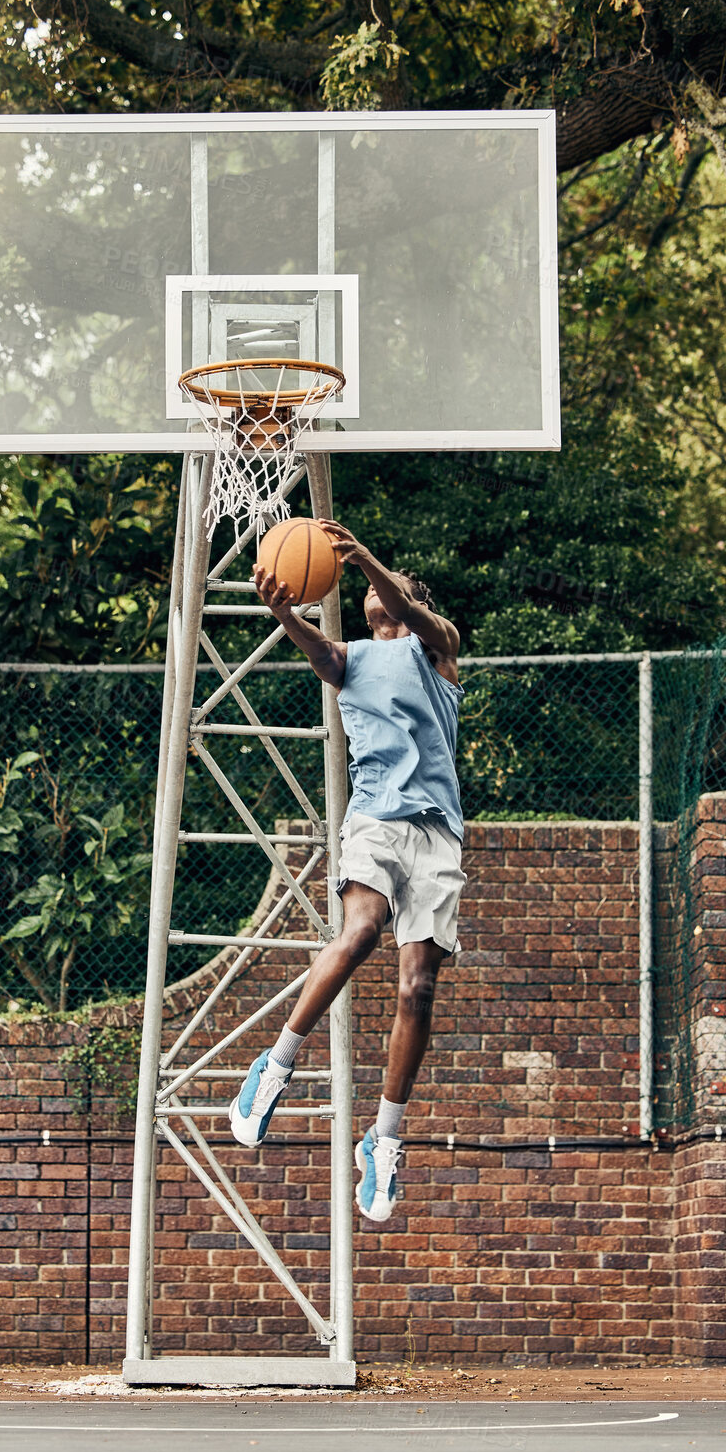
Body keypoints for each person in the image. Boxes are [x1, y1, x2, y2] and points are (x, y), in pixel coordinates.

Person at [228, 519, 465, 1223]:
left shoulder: (437, 645)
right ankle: (272, 1069)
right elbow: (318, 651)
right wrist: (281, 613)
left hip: (438, 836)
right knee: (360, 928)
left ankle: (383, 1140)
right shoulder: (349, 657)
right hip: (373, 822)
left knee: (416, 986)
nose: (366, 593)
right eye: (360, 585)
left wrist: (364, 554)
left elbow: (417, 614)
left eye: (378, 587)